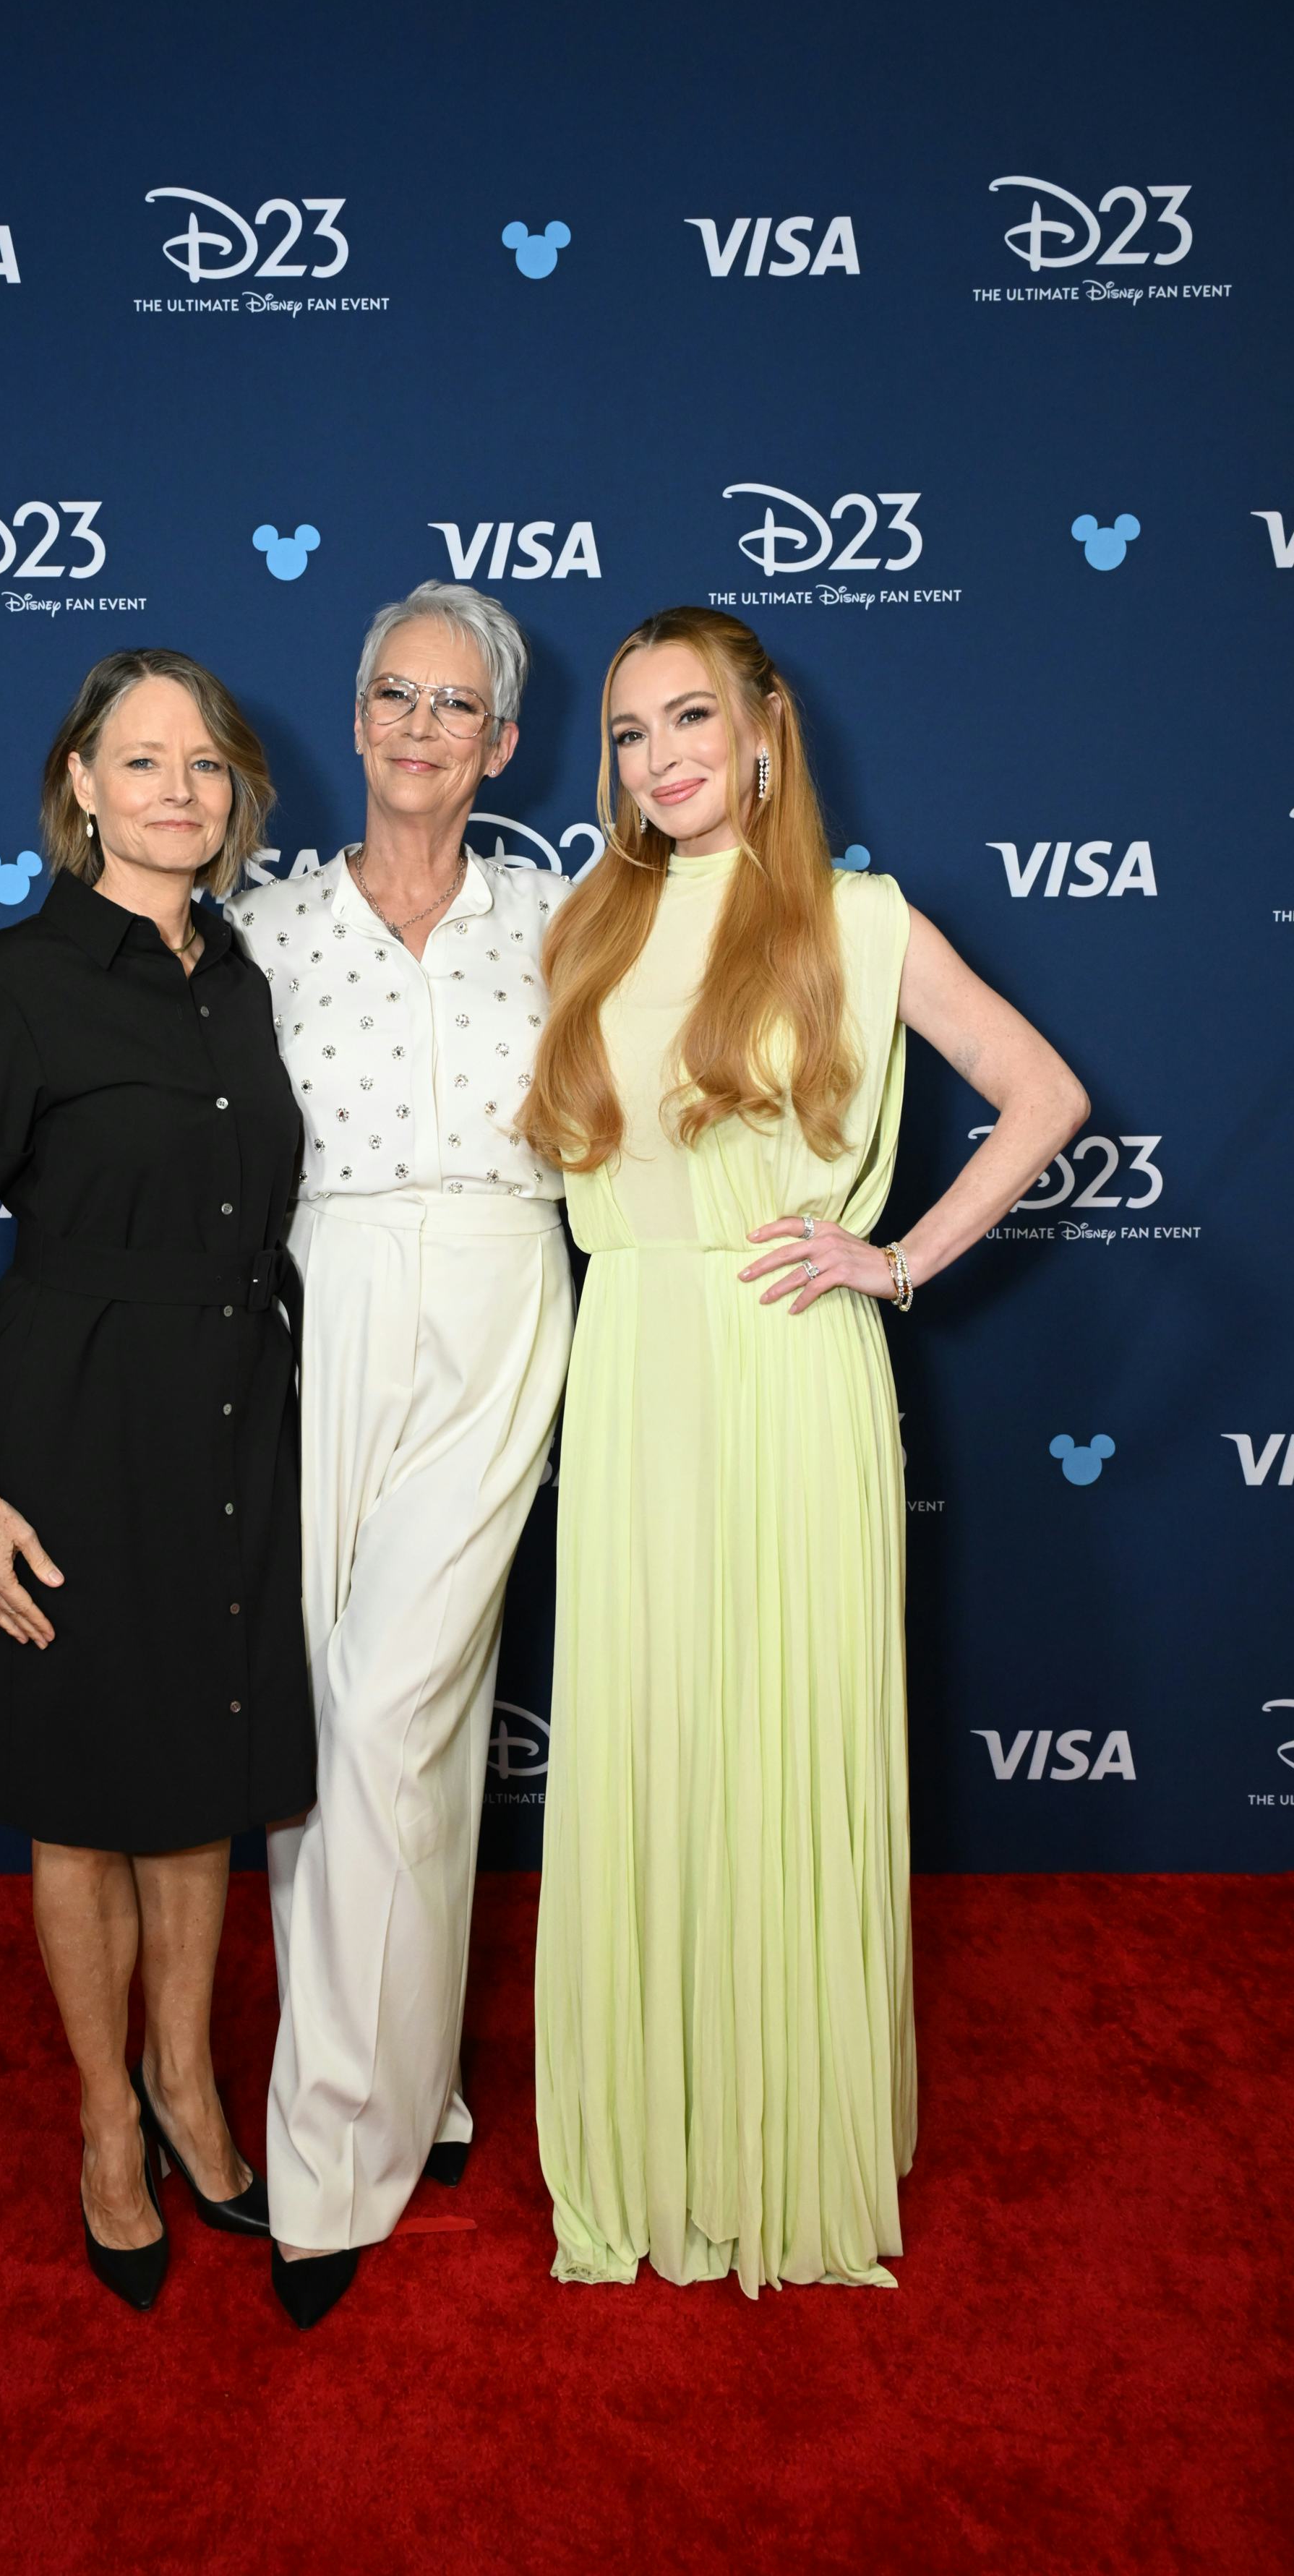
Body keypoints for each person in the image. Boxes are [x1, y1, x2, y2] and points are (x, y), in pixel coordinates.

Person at [525, 607, 1088, 2294]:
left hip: (787, 1367)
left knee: (778, 1730)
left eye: (692, 718)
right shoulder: (586, 924)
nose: (661, 758)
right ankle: (656, 2137)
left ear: (766, 732)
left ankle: (782, 2142)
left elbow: (1045, 1096)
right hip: (633, 1364)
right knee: (650, 1739)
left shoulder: (859, 919)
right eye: (629, 733)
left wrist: (897, 1260)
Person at [0, 649, 313, 2315]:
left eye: (204, 764)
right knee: (82, 1799)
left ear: (236, 794)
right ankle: (103, 2119)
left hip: (234, 1413)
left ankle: (188, 2083)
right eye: (140, 760)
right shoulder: (5, 983)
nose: (176, 790)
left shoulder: (251, 975)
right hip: (71, 1421)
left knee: (198, 1783)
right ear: (79, 785)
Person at [233, 581, 574, 2327]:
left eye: (456, 705)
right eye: (395, 694)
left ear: (502, 744)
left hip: (505, 1292)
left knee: (387, 1711)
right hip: (319, 1297)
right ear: (357, 717)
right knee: (345, 1733)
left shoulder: (568, 917)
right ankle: (418, 2080)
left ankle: (326, 2168)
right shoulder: (267, 929)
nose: (421, 726)